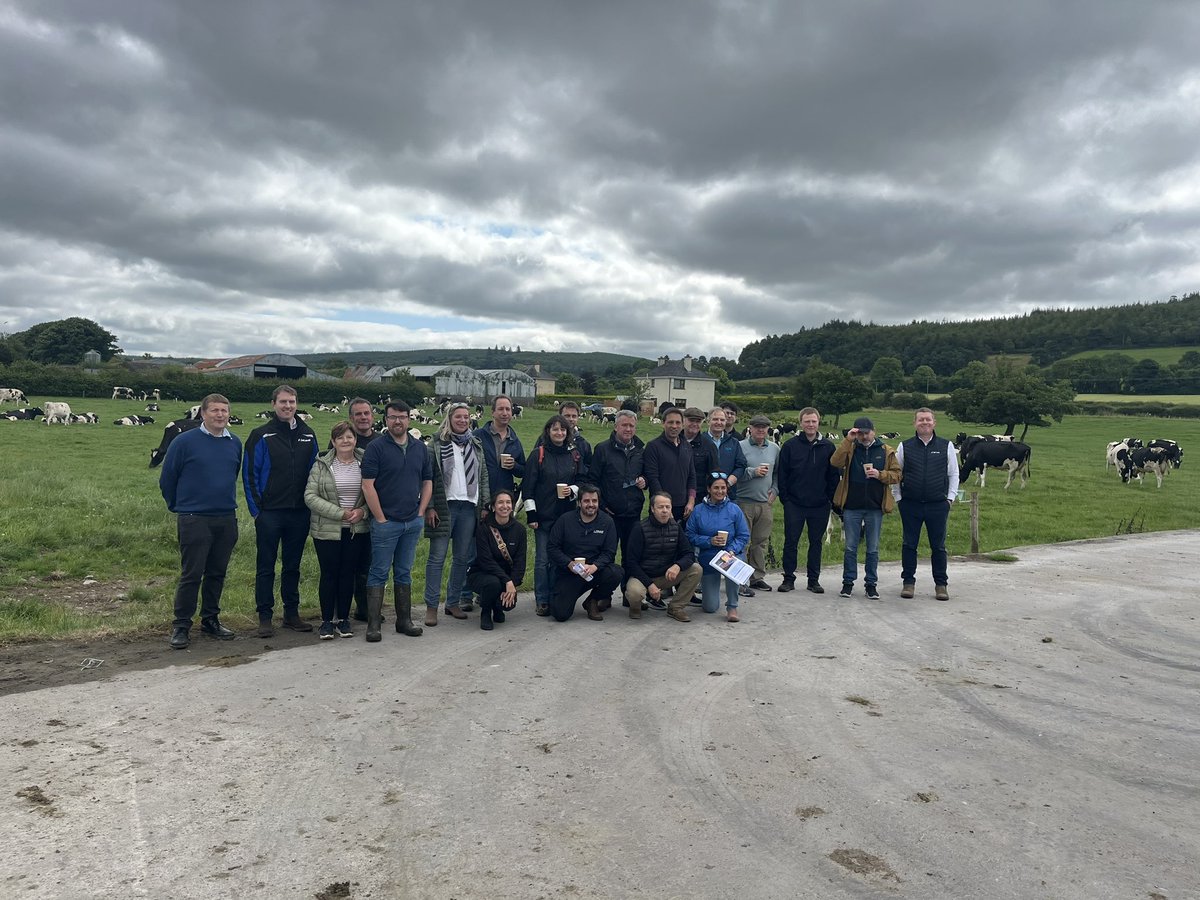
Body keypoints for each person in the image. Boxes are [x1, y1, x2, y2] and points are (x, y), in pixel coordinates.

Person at [159, 393, 242, 649]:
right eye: (215, 410)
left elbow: (233, 473)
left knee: (217, 572)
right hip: (194, 518)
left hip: (225, 516)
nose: (220, 415)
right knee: (192, 574)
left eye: (224, 411)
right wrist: (179, 506)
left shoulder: (234, 443)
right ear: (203, 413)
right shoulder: (184, 442)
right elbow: (167, 478)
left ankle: (211, 620)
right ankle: (181, 625)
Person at [243, 384, 318, 637]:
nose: (288, 406)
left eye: (292, 402)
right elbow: (250, 474)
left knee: (292, 566)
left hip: (299, 512)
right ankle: (265, 616)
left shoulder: (308, 434)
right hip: (270, 513)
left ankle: (291, 614)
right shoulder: (260, 435)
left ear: (297, 404)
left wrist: (310, 506)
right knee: (265, 565)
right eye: (283, 402)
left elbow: (314, 474)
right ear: (273, 404)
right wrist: (257, 511)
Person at [361, 400, 431, 641]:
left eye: (402, 416)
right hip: (386, 522)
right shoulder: (376, 448)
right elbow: (367, 485)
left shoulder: (420, 448)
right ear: (386, 420)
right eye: (392, 417)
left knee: (404, 572)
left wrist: (421, 512)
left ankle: (404, 620)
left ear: (409, 419)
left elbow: (428, 481)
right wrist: (380, 518)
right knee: (378, 571)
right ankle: (373, 626)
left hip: (412, 521)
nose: (398, 421)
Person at [423, 402, 490, 626]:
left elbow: (483, 477)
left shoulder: (475, 444)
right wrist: (430, 505)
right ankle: (431, 607)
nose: (463, 420)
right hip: (445, 506)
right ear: (449, 419)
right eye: (458, 417)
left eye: (466, 417)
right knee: (437, 558)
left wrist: (485, 505)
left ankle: (452, 602)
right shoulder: (437, 444)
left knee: (462, 558)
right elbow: (428, 476)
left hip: (469, 507)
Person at [304, 420, 370, 639]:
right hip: (327, 529)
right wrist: (339, 513)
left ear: (355, 439)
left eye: (349, 437)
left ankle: (343, 619)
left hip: (355, 528)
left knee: (347, 574)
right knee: (329, 574)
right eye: (340, 437)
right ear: (333, 441)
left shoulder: (365, 463)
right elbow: (310, 496)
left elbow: (375, 492)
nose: (345, 441)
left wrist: (362, 512)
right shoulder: (321, 464)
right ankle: (326, 621)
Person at [830, 417, 902, 600]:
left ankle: (871, 584)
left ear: (874, 431)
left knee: (872, 549)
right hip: (852, 506)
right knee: (850, 547)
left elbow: (897, 475)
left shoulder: (885, 451)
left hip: (875, 506)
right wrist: (848, 439)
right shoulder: (851, 448)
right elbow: (835, 462)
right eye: (859, 432)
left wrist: (880, 475)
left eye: (866, 432)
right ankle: (848, 584)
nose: (863, 436)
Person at [893, 408, 960, 601]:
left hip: (938, 504)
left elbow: (953, 473)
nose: (924, 422)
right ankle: (908, 583)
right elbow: (897, 473)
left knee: (938, 546)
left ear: (934, 423)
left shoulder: (946, 445)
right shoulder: (904, 446)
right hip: (910, 504)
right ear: (915, 423)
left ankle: (941, 585)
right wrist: (898, 498)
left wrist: (950, 498)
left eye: (928, 420)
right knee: (909, 544)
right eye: (921, 420)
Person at [523, 415, 586, 616]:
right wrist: (531, 515)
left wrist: (573, 490)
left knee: (560, 559)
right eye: (555, 429)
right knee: (542, 559)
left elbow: (583, 479)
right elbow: (528, 487)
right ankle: (542, 599)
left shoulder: (574, 455)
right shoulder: (538, 454)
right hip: (543, 516)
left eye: (563, 430)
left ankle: (555, 596)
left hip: (566, 518)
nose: (559, 433)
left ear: (568, 433)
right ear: (548, 432)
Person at [776, 407, 840, 594]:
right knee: (791, 541)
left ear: (818, 422)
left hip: (820, 504)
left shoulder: (828, 447)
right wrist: (786, 499)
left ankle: (813, 580)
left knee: (816, 542)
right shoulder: (790, 446)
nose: (810, 425)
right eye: (807, 421)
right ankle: (788, 579)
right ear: (801, 423)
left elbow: (833, 476)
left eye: (813, 421)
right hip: (794, 503)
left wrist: (829, 498)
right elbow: (783, 474)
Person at [547, 485, 623, 622]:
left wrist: (595, 566)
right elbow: (552, 548)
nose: (591, 505)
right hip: (570, 573)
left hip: (594, 571)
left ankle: (592, 600)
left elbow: (609, 553)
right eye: (587, 501)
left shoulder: (607, 522)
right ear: (579, 502)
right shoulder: (565, 520)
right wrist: (568, 564)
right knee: (560, 614)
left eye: (594, 501)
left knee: (616, 572)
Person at [623, 492, 702, 622]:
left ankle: (675, 607)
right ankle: (636, 607)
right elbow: (631, 562)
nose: (664, 511)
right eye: (660, 507)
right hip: (643, 577)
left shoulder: (676, 527)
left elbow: (689, 554)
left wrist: (678, 566)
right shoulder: (639, 528)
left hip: (666, 575)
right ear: (652, 509)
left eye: (667, 507)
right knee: (635, 593)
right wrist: (649, 585)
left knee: (696, 569)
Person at [587, 410, 646, 577]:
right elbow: (593, 481)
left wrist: (644, 480)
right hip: (609, 513)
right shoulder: (602, 449)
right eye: (624, 425)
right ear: (615, 427)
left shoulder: (641, 450)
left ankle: (628, 592)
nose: (628, 429)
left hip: (633, 512)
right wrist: (603, 506)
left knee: (631, 555)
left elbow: (647, 474)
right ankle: (604, 596)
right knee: (607, 554)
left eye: (631, 426)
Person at [685, 474, 751, 622]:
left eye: (723, 488)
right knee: (709, 608)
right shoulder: (698, 510)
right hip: (708, 557)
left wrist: (732, 550)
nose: (720, 491)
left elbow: (743, 535)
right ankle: (711, 597)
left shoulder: (734, 509)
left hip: (730, 555)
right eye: (716, 488)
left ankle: (732, 606)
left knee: (732, 566)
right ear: (709, 489)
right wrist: (709, 541)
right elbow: (689, 534)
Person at [466, 490, 527, 631]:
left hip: (506, 578)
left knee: (508, 605)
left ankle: (497, 607)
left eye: (508, 502)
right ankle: (486, 612)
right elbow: (485, 561)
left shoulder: (520, 530)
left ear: (512, 506)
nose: (504, 506)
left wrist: (513, 583)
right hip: (482, 574)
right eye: (500, 502)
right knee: (493, 584)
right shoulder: (484, 529)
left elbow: (520, 562)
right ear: (493, 507)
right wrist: (507, 581)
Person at [344, 397, 379, 623]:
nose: (363, 418)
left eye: (366, 413)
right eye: (358, 414)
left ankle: (367, 607)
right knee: (352, 563)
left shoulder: (381, 441)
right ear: (351, 418)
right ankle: (350, 608)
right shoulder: (345, 442)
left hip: (375, 511)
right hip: (349, 513)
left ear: (372, 416)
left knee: (372, 561)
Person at [738, 414, 780, 593]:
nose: (761, 430)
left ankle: (756, 577)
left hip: (765, 502)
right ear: (750, 428)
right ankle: (739, 579)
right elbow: (736, 471)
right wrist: (752, 472)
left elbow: (778, 473)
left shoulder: (775, 448)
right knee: (742, 542)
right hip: (743, 501)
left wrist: (775, 490)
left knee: (760, 542)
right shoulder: (740, 447)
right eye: (757, 427)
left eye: (764, 427)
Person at [643, 408, 697, 523]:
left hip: (683, 508)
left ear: (682, 425)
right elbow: (653, 479)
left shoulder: (687, 446)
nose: (674, 426)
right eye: (670, 422)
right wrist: (664, 506)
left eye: (678, 422)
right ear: (663, 423)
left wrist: (691, 501)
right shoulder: (653, 446)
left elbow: (692, 476)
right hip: (660, 509)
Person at [474, 394, 526, 498]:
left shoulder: (514, 440)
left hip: (504, 498)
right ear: (493, 412)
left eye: (508, 409)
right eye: (500, 409)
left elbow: (523, 471)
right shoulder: (477, 436)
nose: (505, 413)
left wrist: (514, 466)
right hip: (479, 495)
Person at [682, 407, 719, 503]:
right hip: (674, 495)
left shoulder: (709, 445)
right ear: (683, 420)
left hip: (698, 497)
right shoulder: (675, 441)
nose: (694, 424)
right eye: (691, 420)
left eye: (698, 421)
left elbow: (713, 473)